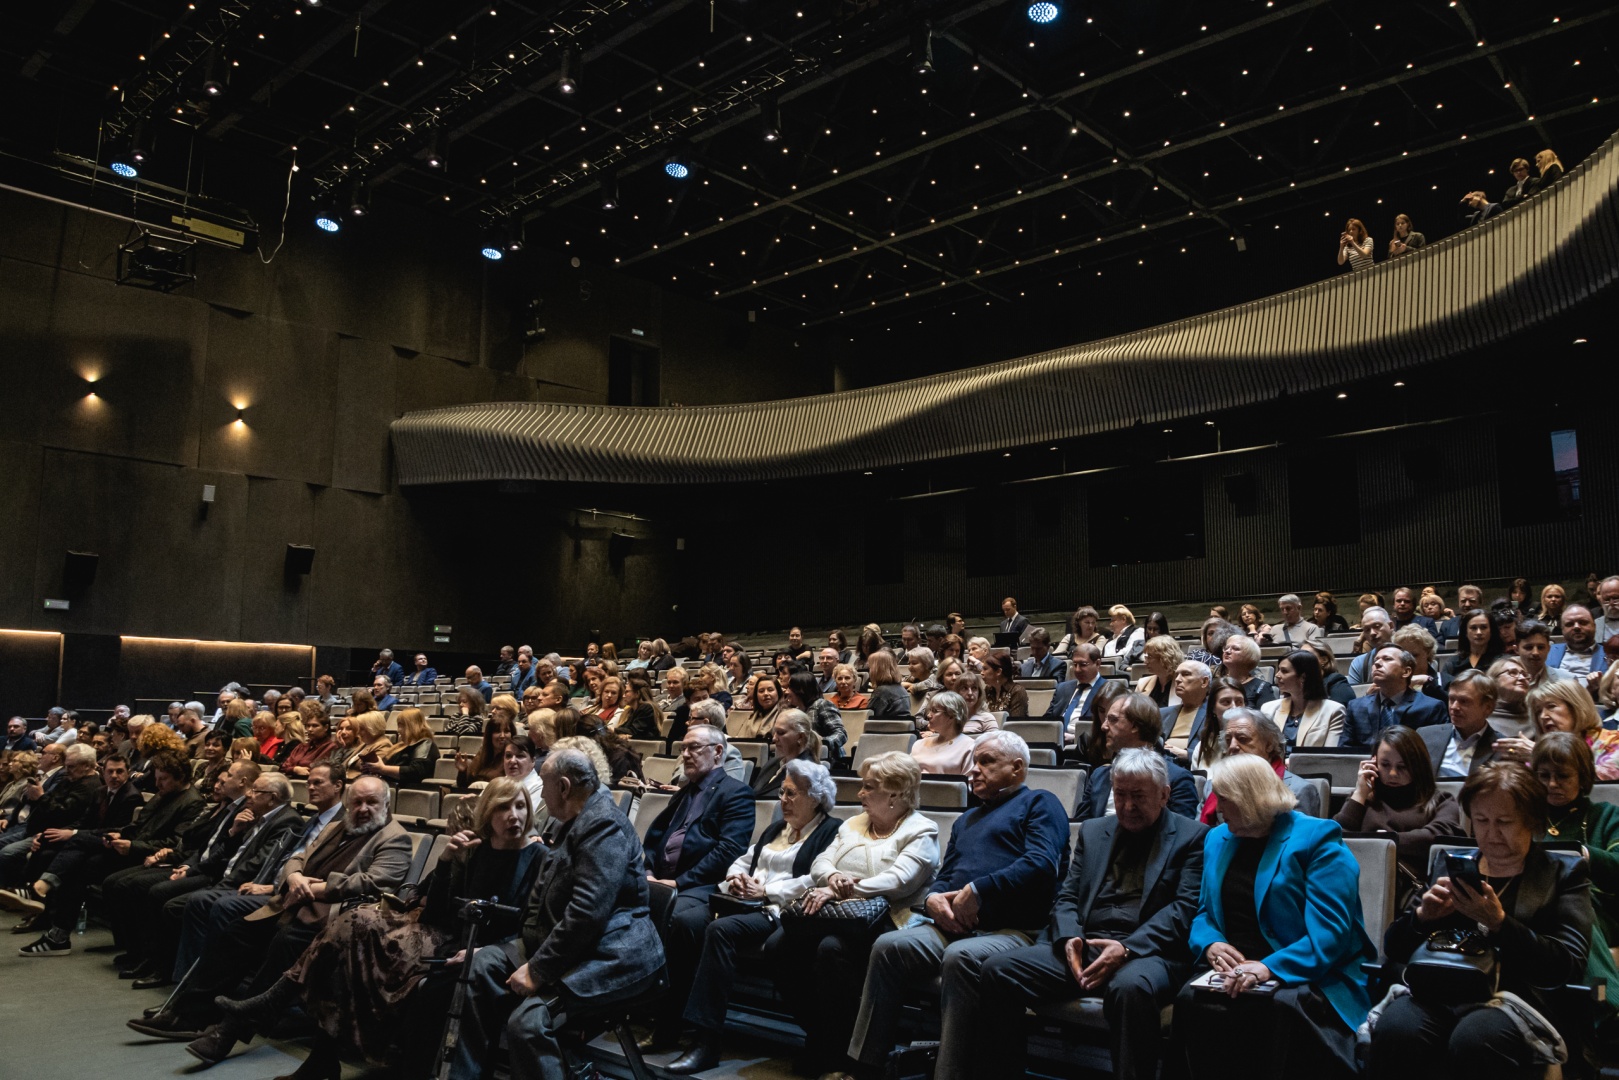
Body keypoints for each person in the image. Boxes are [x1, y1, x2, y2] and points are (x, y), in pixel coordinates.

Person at [211, 777, 546, 1077]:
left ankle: (281, 1004)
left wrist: (482, 950)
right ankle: (314, 1051)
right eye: (503, 808)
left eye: (520, 807)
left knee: (352, 939)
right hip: (437, 932)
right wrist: (446, 862)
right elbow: (437, 910)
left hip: (467, 946)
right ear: (488, 813)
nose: (513, 816)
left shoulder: (539, 857)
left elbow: (529, 924)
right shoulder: (473, 851)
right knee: (348, 941)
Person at [969, 748, 1208, 1080]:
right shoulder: (1095, 831)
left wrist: (1126, 949)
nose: (1127, 806)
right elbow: (1067, 895)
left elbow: (1183, 911)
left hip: (1147, 952)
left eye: (1138, 796)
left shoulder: (1192, 837)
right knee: (998, 971)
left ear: (1165, 794)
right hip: (1085, 944)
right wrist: (1071, 939)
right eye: (1120, 795)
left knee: (1130, 989)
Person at [848, 731, 1070, 1078]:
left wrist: (979, 891)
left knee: (960, 958)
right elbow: (945, 875)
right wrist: (934, 899)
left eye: (986, 762)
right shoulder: (968, 819)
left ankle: (949, 1073)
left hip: (1015, 929)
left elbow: (1041, 864)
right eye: (973, 762)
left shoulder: (1041, 803)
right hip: (953, 926)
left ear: (1017, 768)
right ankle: (865, 1065)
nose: (974, 770)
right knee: (888, 947)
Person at [139, 775, 413, 1050]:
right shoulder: (336, 827)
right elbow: (296, 858)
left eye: (371, 802)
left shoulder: (395, 838)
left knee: (285, 941)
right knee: (238, 930)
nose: (363, 808)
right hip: (294, 902)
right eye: (357, 802)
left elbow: (376, 881)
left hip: (334, 916)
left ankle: (228, 1031)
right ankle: (187, 1015)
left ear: (386, 804)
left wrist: (316, 887)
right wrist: (294, 878)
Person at [440, 750, 666, 1080]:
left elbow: (587, 913)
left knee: (529, 1022)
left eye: (544, 786)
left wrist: (538, 968)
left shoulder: (602, 825)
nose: (540, 795)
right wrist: (517, 950)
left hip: (613, 955)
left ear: (562, 786)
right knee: (481, 966)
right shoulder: (571, 823)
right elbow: (540, 902)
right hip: (573, 944)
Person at [1369, 764, 1592, 1079]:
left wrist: (1500, 923)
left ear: (1532, 821)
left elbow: (1567, 964)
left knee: (1475, 1039)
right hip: (1442, 988)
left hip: (1517, 998)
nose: (1491, 833)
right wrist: (1421, 918)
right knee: (1397, 1030)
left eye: (1504, 822)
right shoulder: (1453, 866)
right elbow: (1394, 947)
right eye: (1482, 821)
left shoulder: (1564, 874)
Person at [1176, 754, 1375, 1080]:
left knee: (1272, 1008)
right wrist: (1210, 943)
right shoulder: (1217, 838)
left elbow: (1330, 934)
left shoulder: (1317, 839)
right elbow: (1203, 913)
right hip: (1235, 969)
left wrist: (1269, 968)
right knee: (1190, 999)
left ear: (1249, 799)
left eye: (1224, 799)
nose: (1219, 809)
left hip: (1307, 973)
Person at [666, 760, 842, 1073]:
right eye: (782, 793)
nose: (783, 800)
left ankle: (707, 1042)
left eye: (791, 794)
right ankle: (670, 1023)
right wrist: (737, 879)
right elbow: (742, 860)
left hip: (779, 911)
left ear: (815, 797)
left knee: (720, 930)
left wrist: (766, 892)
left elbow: (816, 879)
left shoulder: (831, 830)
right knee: (684, 922)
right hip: (744, 902)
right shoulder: (777, 829)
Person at [772, 752, 939, 1076]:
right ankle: (821, 1035)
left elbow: (899, 881)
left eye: (869, 787)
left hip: (891, 918)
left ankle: (841, 1055)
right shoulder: (853, 824)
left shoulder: (922, 830)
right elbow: (821, 863)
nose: (859, 793)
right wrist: (832, 878)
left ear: (894, 793)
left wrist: (839, 888)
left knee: (831, 950)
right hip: (837, 913)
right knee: (779, 946)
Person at [640, 724, 756, 1051]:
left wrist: (677, 881)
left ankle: (669, 1024)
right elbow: (655, 837)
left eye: (694, 748)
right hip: (662, 880)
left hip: (704, 885)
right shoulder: (685, 790)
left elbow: (728, 851)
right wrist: (649, 869)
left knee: (676, 920)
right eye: (684, 748)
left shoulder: (736, 793)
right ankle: (625, 1002)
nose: (686, 754)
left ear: (717, 752)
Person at [1532, 732, 1619, 1035]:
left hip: (1599, 911)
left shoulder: (1605, 816)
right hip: (1534, 909)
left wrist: (1582, 854)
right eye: (1544, 775)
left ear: (1582, 777)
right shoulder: (1525, 818)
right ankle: (1608, 1008)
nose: (1552, 784)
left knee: (1574, 904)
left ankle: (1607, 1003)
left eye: (1562, 776)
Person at [1334, 726, 1465, 888]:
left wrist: (1388, 841)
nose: (1393, 773)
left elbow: (1438, 836)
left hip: (1410, 890)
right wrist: (1360, 793)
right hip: (1358, 881)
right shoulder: (1364, 797)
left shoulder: (1441, 800)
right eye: (1385, 764)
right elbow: (1336, 837)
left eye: (1402, 767)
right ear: (1373, 763)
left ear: (1418, 766)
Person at [1079, 692, 1199, 821]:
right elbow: (1080, 827)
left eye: (1113, 720)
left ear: (1135, 726)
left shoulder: (1177, 779)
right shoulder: (1099, 776)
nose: (1104, 726)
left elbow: (1181, 834)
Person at [1200, 710, 1322, 820]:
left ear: (1269, 744)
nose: (1232, 746)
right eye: (1228, 740)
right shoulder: (1212, 787)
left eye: (1242, 739)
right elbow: (1198, 837)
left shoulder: (1297, 791)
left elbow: (1299, 841)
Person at [1498, 677, 1619, 780]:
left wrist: (1544, 757)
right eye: (1538, 711)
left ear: (1576, 708)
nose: (1543, 716)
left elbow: (1604, 778)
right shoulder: (1535, 751)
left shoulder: (1612, 741)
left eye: (1551, 706)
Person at [1344, 646, 1448, 747]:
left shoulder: (1431, 707)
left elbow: (1433, 752)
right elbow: (1345, 754)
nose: (1377, 663)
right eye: (1376, 659)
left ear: (1406, 671)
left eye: (1387, 659)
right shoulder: (1355, 707)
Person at [1419, 669, 1505, 779]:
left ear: (1487, 708)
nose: (1454, 707)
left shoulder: (1502, 748)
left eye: (1464, 701)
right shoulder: (1425, 735)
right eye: (1451, 699)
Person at [1262, 649, 1346, 748]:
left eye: (1284, 671)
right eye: (1278, 670)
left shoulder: (1334, 711)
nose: (1277, 675)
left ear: (1303, 677)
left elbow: (1328, 756)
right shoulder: (1268, 708)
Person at [359, 707, 439, 789]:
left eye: (401, 725)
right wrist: (372, 768)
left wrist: (383, 769)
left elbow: (415, 772)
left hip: (411, 793)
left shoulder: (425, 744)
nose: (398, 730)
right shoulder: (401, 746)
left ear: (411, 726)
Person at [751, 710, 821, 797]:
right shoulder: (773, 763)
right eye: (774, 732)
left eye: (780, 733)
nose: (774, 738)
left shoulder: (807, 772)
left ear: (800, 737)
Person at [784, 671, 848, 763]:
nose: (787, 691)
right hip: (803, 759)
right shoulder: (796, 711)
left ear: (801, 689)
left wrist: (821, 743)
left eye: (790, 688)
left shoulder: (822, 705)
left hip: (829, 761)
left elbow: (841, 734)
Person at [1046, 643, 1105, 739]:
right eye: (1075, 664)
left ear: (1098, 664)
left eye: (1083, 664)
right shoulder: (1063, 688)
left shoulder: (1108, 690)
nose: (1077, 670)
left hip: (1087, 746)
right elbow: (1048, 719)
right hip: (1056, 743)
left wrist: (1075, 738)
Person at [1161, 660, 1213, 767]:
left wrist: (1187, 754)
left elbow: (1219, 752)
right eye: (1177, 675)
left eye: (1185, 674)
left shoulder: (1214, 714)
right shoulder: (1162, 713)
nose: (1177, 679)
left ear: (1204, 682)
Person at [910, 692, 976, 775]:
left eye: (934, 711)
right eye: (930, 710)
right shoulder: (919, 744)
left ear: (951, 716)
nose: (928, 715)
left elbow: (968, 784)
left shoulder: (969, 746)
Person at [457, 710, 515, 789]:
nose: (502, 736)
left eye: (506, 731)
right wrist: (463, 771)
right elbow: (463, 786)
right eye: (497, 731)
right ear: (489, 735)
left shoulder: (513, 759)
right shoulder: (482, 754)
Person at [1219, 634, 1277, 708]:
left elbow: (1265, 718)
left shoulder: (1261, 687)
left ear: (1249, 656)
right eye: (1226, 648)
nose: (1227, 651)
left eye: (1236, 649)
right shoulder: (1217, 684)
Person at [1444, 608, 1504, 677]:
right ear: (1465, 632)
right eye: (1473, 628)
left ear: (1491, 631)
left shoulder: (1502, 662)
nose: (1479, 632)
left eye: (1483, 627)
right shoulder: (1452, 663)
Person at [283, 703, 336, 779]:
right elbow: (284, 766)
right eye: (308, 726)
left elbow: (313, 769)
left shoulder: (330, 747)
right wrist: (295, 769)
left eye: (315, 726)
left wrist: (291, 768)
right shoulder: (301, 746)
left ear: (326, 727)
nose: (310, 729)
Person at [1345, 606, 1396, 682]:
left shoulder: (1408, 655)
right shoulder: (1359, 663)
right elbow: (1355, 693)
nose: (1372, 633)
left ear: (1391, 626)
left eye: (1377, 626)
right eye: (1367, 630)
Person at [1135, 635, 1185, 709]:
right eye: (1146, 657)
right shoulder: (1142, 683)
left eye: (1149, 657)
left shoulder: (1184, 684)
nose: (1145, 662)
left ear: (1165, 658)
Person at [980, 653, 1028, 718]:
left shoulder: (1017, 691)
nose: (981, 673)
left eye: (985, 669)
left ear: (998, 672)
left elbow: (1015, 723)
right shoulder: (988, 689)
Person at [952, 670, 998, 736]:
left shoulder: (987, 718)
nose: (970, 693)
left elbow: (994, 744)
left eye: (974, 688)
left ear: (979, 693)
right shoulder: (950, 719)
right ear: (957, 693)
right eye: (964, 688)